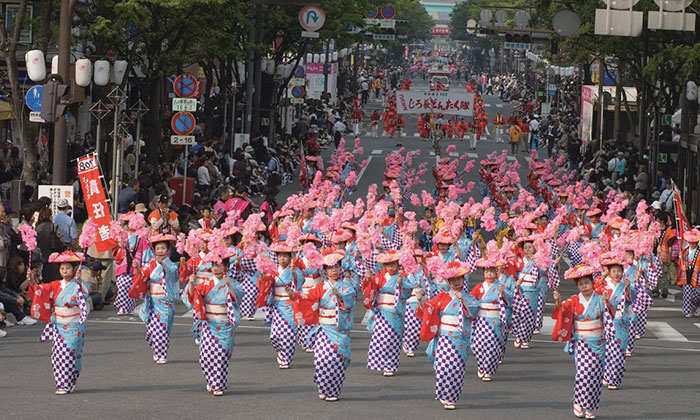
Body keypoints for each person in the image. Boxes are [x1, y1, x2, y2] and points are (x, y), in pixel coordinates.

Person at [287, 249, 356, 402]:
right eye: (330, 267)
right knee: (321, 359)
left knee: (338, 360)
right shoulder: (320, 287)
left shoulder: (347, 288)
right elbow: (307, 298)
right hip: (324, 329)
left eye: (336, 267)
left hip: (339, 329)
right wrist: (294, 295)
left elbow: (350, 301)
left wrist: (341, 297)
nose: (334, 270)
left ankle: (333, 392)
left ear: (341, 268)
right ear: (325, 270)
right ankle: (323, 387)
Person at [415, 261, 479, 410]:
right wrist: (420, 300)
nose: (456, 282)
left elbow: (473, 313)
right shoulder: (442, 297)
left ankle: (451, 398)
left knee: (456, 368)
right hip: (444, 337)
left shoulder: (468, 297)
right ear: (448, 281)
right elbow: (428, 309)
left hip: (459, 338)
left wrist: (463, 301)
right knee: (443, 367)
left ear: (463, 279)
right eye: (453, 279)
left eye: (459, 279)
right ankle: (444, 393)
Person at [28, 251, 90, 395]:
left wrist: (80, 281)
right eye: (62, 268)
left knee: (70, 354)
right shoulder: (56, 285)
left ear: (74, 269)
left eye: (68, 268)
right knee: (57, 356)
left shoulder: (79, 284)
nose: (64, 271)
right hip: (59, 325)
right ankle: (63, 384)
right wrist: (32, 280)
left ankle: (69, 381)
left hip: (74, 324)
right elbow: (40, 290)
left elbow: (84, 295)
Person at [552, 264, 608, 420]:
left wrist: (607, 303)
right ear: (577, 286)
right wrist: (558, 301)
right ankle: (578, 401)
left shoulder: (599, 298)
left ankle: (589, 407)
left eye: (587, 283)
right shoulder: (574, 300)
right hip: (582, 343)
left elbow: (610, 315)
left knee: (596, 376)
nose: (584, 286)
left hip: (598, 342)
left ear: (592, 283)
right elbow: (562, 311)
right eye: (581, 284)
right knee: (583, 373)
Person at [185, 248, 243, 396]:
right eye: (214, 265)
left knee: (222, 356)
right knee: (205, 357)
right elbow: (193, 298)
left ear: (226, 267)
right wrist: (191, 284)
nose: (216, 268)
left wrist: (229, 285)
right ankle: (211, 380)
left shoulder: (233, 283)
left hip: (225, 325)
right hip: (209, 325)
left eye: (220, 265)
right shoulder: (205, 283)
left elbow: (238, 297)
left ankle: (218, 385)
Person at [128, 233, 180, 364]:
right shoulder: (150, 265)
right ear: (154, 250)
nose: (160, 251)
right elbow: (141, 279)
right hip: (152, 302)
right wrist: (137, 269)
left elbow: (173, 276)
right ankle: (157, 350)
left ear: (167, 250)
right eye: (158, 248)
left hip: (165, 301)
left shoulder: (172, 265)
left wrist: (164, 266)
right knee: (152, 329)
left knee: (163, 328)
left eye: (163, 248)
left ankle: (162, 354)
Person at [362, 249, 415, 377]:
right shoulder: (379, 278)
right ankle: (380, 363)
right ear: (384, 266)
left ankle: (390, 365)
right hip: (382, 312)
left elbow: (408, 292)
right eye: (388, 264)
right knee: (380, 339)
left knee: (393, 339)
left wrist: (401, 285)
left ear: (398, 264)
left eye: (393, 263)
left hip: (395, 312)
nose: (391, 266)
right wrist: (367, 280)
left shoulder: (402, 277)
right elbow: (370, 289)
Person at [256, 242, 304, 369]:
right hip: (277, 305)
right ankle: (280, 351)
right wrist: (261, 276)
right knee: (275, 335)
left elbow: (300, 282)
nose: (282, 258)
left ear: (290, 257)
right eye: (280, 256)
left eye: (285, 256)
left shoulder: (295, 269)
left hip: (290, 305)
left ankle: (285, 358)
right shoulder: (273, 271)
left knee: (289, 334)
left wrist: (294, 274)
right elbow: (264, 285)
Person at [594, 252, 635, 391]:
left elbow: (631, 300)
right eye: (614, 271)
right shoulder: (603, 286)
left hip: (620, 322)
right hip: (605, 322)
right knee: (606, 352)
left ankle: (613, 378)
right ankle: (607, 375)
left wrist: (629, 288)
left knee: (619, 353)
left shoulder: (625, 285)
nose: (617, 274)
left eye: (619, 271)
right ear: (609, 272)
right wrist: (603, 299)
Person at [470, 255, 511, 382]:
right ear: (483, 273)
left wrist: (502, 293)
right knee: (477, 345)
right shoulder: (479, 287)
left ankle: (488, 371)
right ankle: (481, 365)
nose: (489, 273)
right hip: (481, 319)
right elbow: (471, 301)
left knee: (492, 346)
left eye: (492, 271)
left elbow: (508, 302)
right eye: (487, 271)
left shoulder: (501, 286)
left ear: (496, 272)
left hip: (495, 320)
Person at [678, 228, 700, 318]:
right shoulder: (685, 251)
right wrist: (680, 257)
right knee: (687, 292)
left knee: (696, 294)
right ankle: (688, 311)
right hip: (687, 273)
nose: (692, 244)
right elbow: (681, 262)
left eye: (694, 242)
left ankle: (696, 306)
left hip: (697, 274)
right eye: (690, 242)